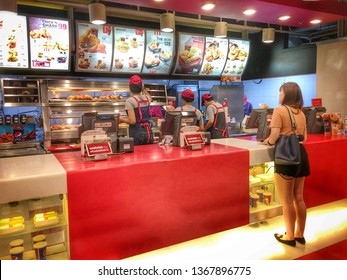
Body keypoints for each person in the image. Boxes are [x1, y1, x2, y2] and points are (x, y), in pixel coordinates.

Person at [263, 82, 310, 247]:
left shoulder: (279, 110)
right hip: (301, 156)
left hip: (286, 157)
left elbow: (274, 135)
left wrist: (267, 141)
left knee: (287, 201)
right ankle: (300, 235)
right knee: (299, 198)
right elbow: (305, 138)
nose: (279, 95)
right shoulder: (302, 113)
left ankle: (289, 236)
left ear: (286, 94)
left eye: (280, 92)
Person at [119, 75, 154, 146]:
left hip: (137, 133)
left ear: (130, 88)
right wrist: (143, 89)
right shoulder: (147, 98)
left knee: (137, 155)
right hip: (148, 132)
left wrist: (121, 119)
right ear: (141, 87)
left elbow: (132, 121)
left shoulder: (130, 101)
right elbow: (150, 97)